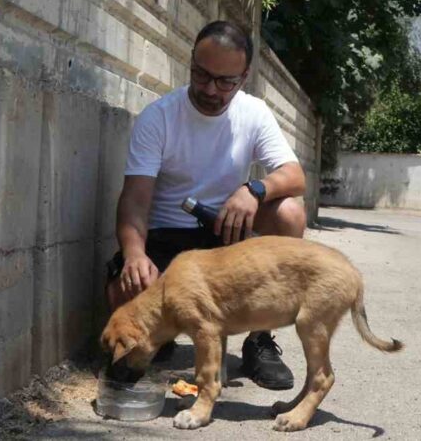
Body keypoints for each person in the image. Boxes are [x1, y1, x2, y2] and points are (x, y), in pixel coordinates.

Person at [104, 20, 307, 390]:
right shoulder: (159, 116)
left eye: (225, 81)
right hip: (168, 237)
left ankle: (259, 339)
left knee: (290, 211)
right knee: (121, 290)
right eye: (201, 75)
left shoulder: (254, 113)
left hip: (225, 241)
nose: (210, 89)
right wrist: (134, 254)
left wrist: (254, 190)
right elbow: (134, 198)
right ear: (192, 64)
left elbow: (295, 176)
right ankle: (155, 338)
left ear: (243, 77)